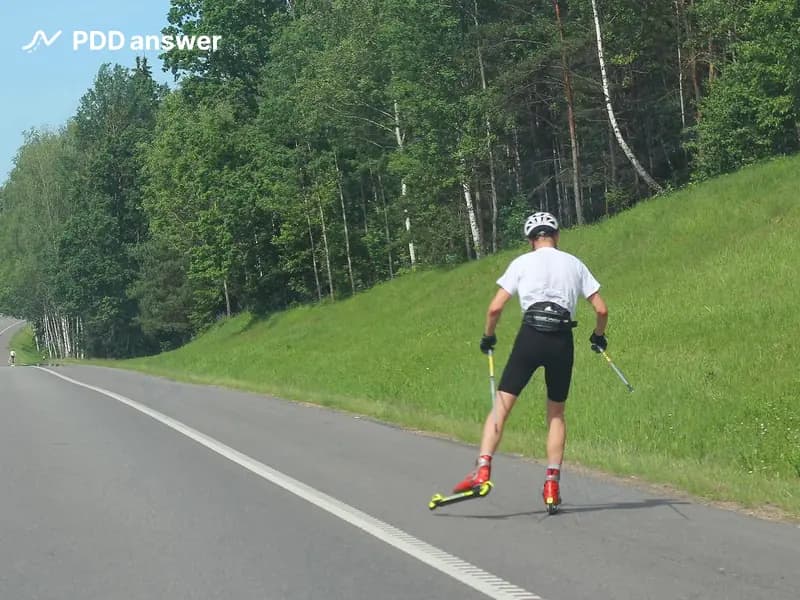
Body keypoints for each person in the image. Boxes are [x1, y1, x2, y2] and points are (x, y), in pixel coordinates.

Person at [452, 211, 609, 511]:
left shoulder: (521, 263)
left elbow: (495, 308)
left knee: (502, 405)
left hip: (530, 336)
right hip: (562, 339)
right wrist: (598, 337)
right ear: (556, 235)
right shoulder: (574, 263)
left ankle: (483, 468)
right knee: (556, 414)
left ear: (530, 241)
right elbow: (601, 310)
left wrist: (489, 337)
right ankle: (551, 485)